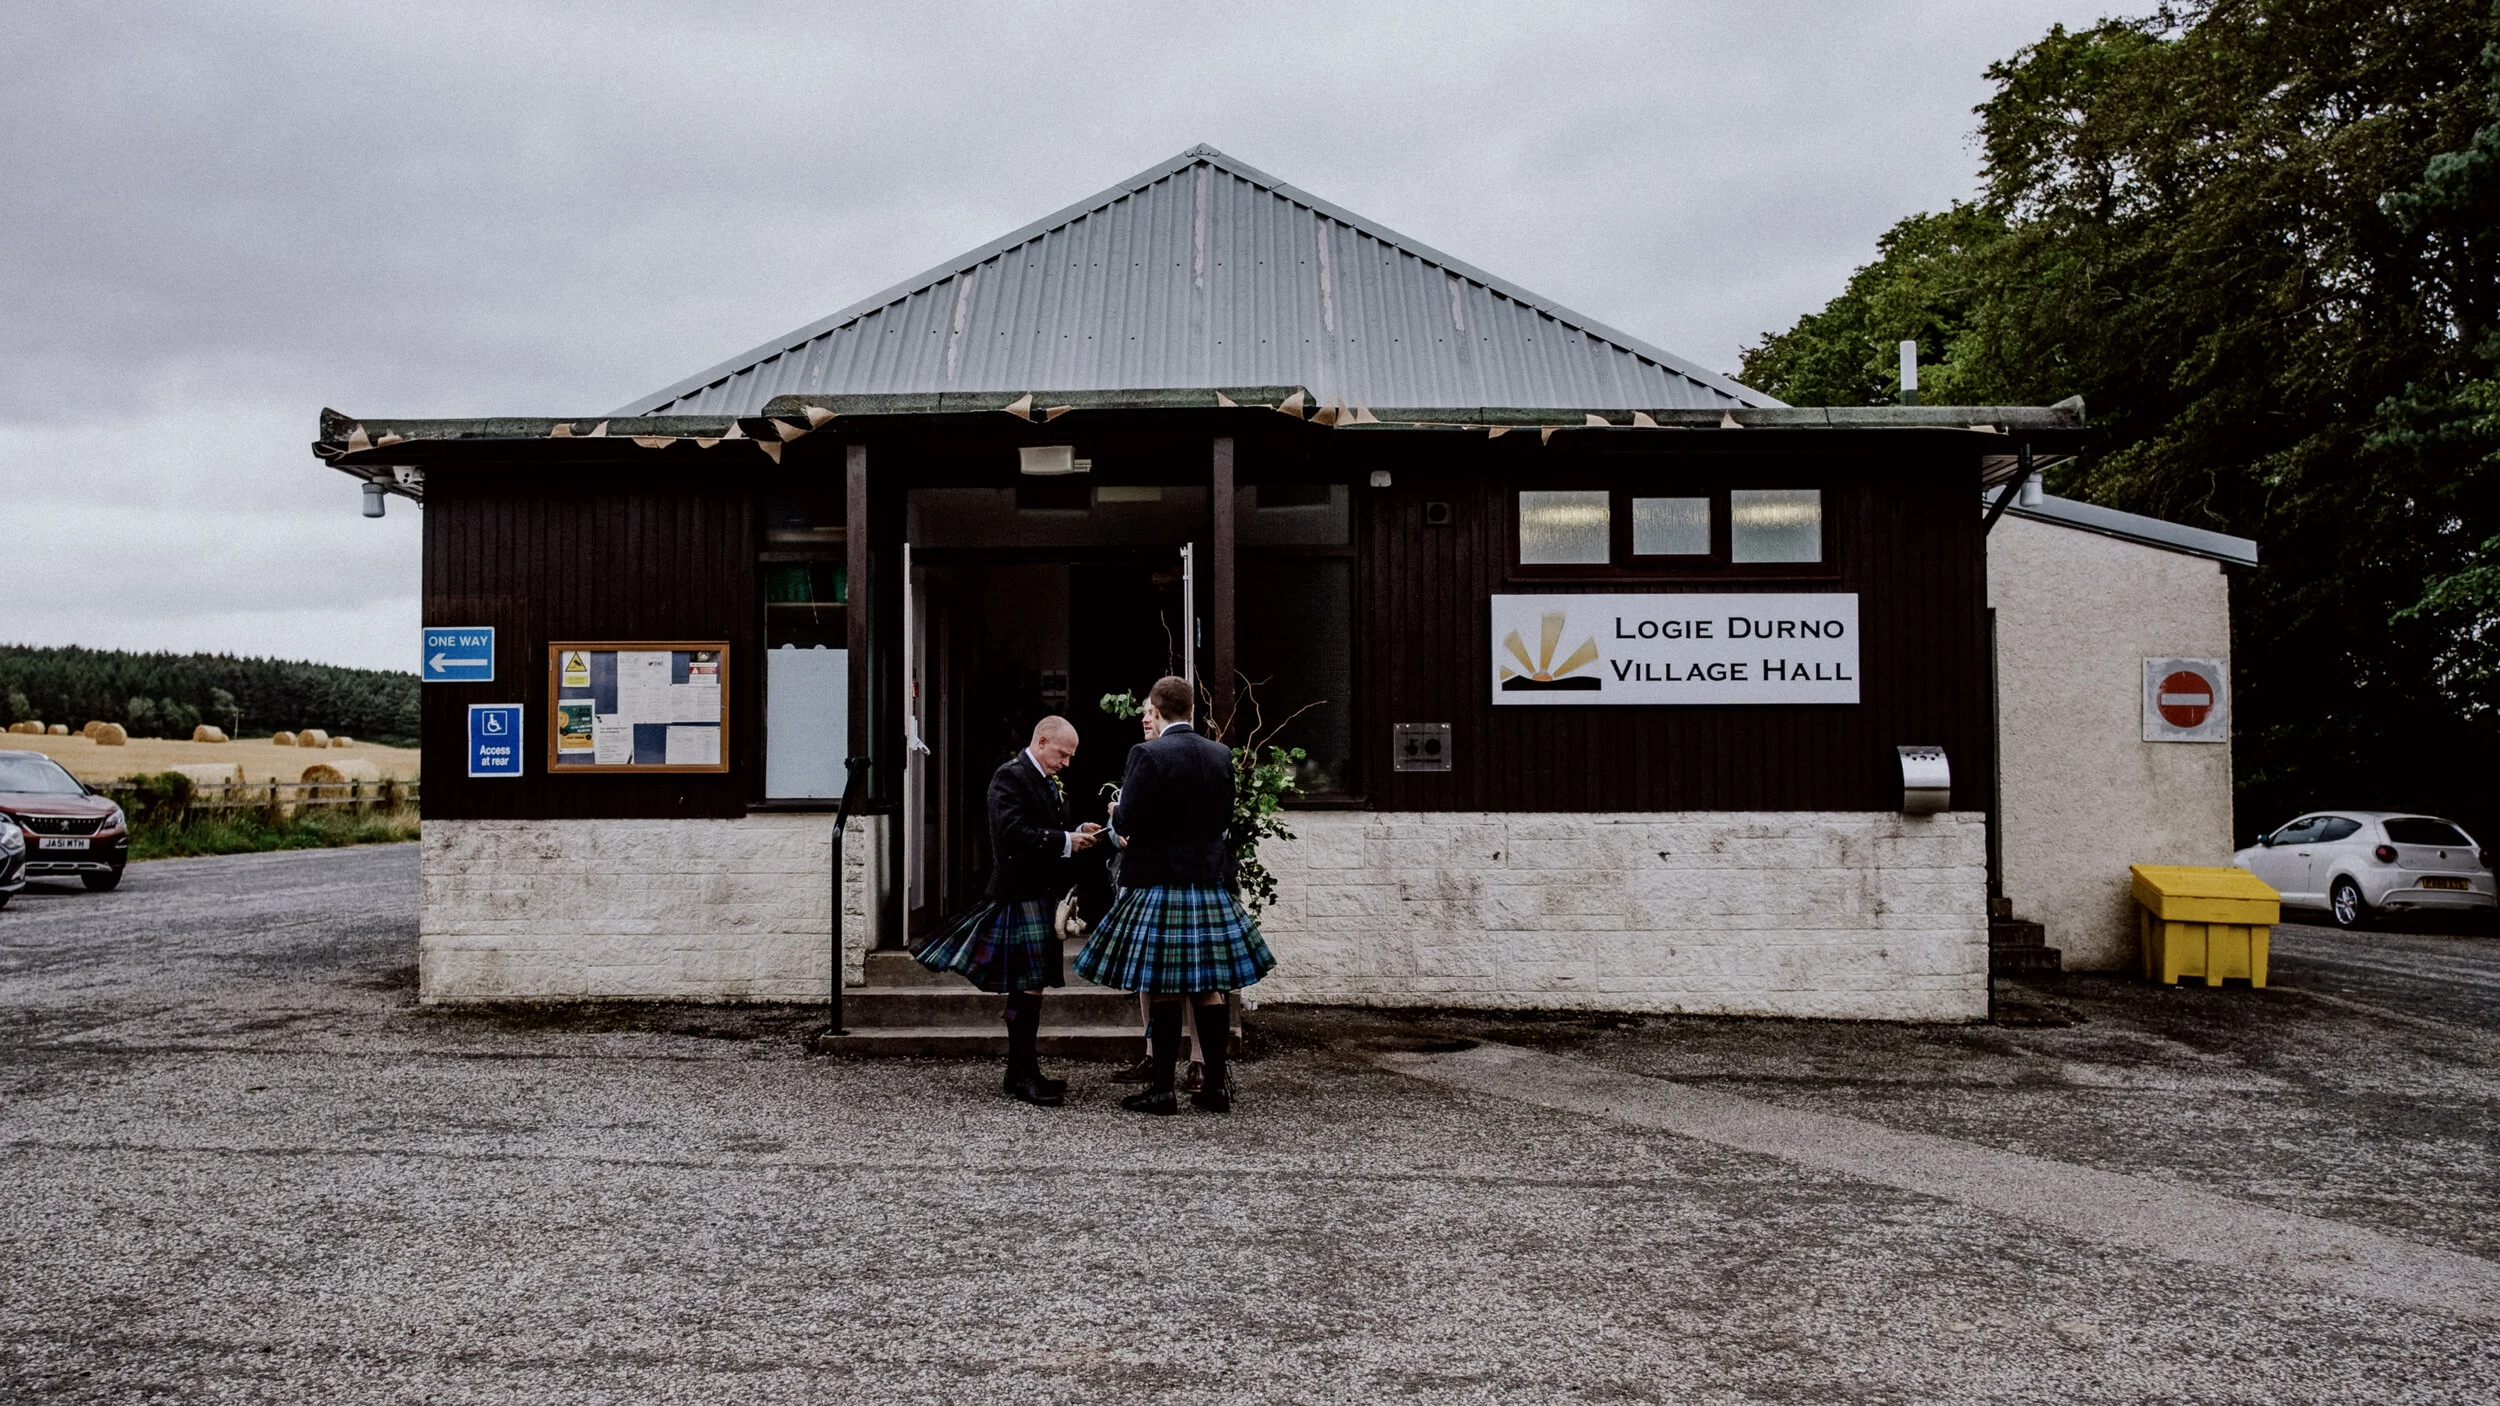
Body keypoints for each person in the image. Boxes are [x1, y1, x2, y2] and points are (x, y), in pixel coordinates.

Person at [1076, 675, 1275, 1114]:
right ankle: (1215, 1088)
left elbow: (1127, 821)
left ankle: (1162, 1090)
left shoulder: (1147, 754)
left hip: (1160, 881)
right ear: (1191, 709)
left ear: (1156, 708)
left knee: (1163, 986)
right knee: (1208, 987)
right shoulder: (1219, 753)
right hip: (1207, 882)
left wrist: (1117, 811)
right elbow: (1224, 818)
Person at [915, 716, 1101, 1106]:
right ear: (1042, 741)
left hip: (1040, 894)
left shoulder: (1045, 779)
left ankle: (1020, 1072)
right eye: (1063, 754)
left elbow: (1050, 824)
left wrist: (1078, 829)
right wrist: (1066, 840)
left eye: (1070, 757)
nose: (1066, 763)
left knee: (1032, 985)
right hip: (1019, 894)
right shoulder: (1010, 777)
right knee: (1027, 985)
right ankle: (1023, 1076)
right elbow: (1011, 834)